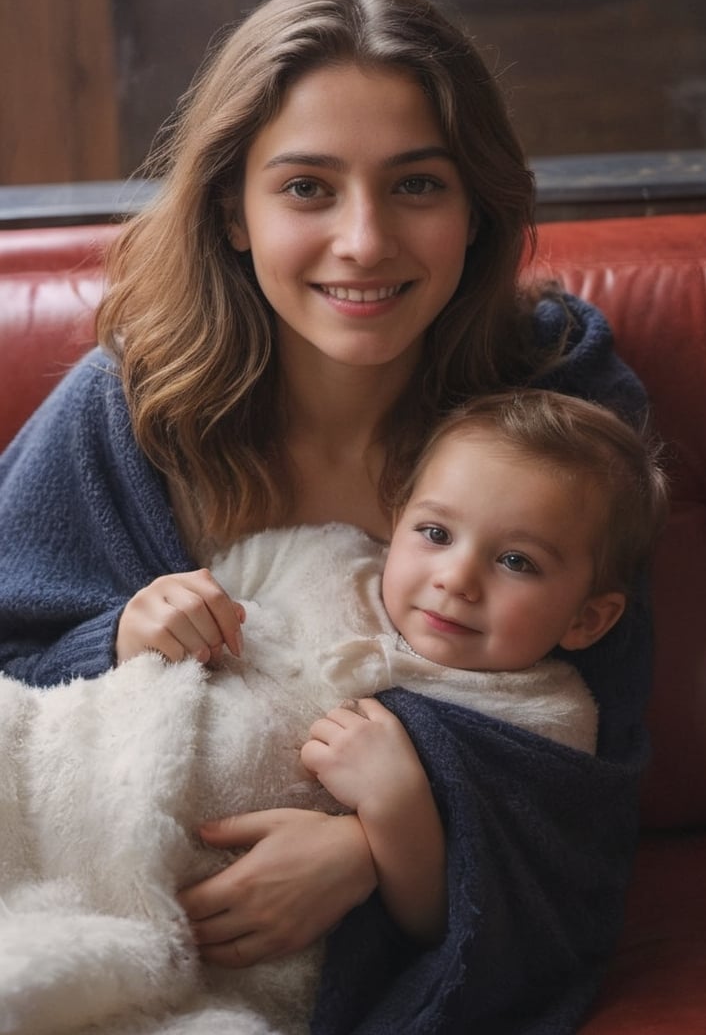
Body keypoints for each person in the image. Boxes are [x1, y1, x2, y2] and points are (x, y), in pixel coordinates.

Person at [0, 0, 653, 1033]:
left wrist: (369, 849)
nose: (364, 241)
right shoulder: (130, 408)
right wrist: (116, 633)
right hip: (88, 882)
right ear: (235, 210)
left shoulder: (564, 409)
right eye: (308, 187)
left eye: (417, 185)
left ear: (477, 205)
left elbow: (589, 775)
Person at [0, 389, 666, 1035]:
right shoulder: (325, 557)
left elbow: (475, 913)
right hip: (82, 759)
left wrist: (396, 813)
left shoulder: (546, 716)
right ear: (397, 518)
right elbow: (204, 592)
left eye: (516, 561)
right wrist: (163, 613)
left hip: (206, 909)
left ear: (587, 618)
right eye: (435, 533)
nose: (456, 578)